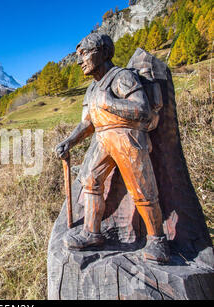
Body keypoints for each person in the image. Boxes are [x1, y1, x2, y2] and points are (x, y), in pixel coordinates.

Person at [55, 33, 170, 263]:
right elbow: (88, 122)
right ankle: (92, 232)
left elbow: (142, 110)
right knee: (90, 181)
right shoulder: (90, 89)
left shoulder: (122, 77)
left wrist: (110, 103)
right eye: (78, 55)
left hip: (126, 136)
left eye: (85, 53)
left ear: (105, 52)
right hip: (101, 138)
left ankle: (157, 239)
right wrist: (69, 141)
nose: (80, 61)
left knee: (142, 187)